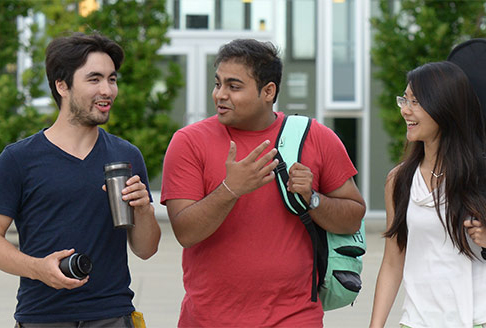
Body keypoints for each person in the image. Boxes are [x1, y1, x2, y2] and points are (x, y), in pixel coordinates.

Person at [161, 38, 366, 327]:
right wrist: (231, 189)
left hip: (295, 317)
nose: (220, 95)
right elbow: (185, 232)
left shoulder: (315, 137)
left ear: (268, 91)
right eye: (217, 83)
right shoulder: (189, 142)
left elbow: (353, 218)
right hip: (208, 319)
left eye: (234, 86)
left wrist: (312, 198)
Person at [0, 32, 161, 327]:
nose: (108, 90)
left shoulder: (126, 155)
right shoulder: (18, 159)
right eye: (94, 79)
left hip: (112, 314)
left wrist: (144, 210)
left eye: (112, 79)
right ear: (62, 85)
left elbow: (146, 249)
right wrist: (37, 268)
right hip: (42, 316)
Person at [369, 61, 486, 328]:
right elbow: (392, 263)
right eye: (405, 100)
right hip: (417, 321)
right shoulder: (399, 181)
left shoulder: (480, 176)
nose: (404, 110)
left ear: (444, 108)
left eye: (415, 102)